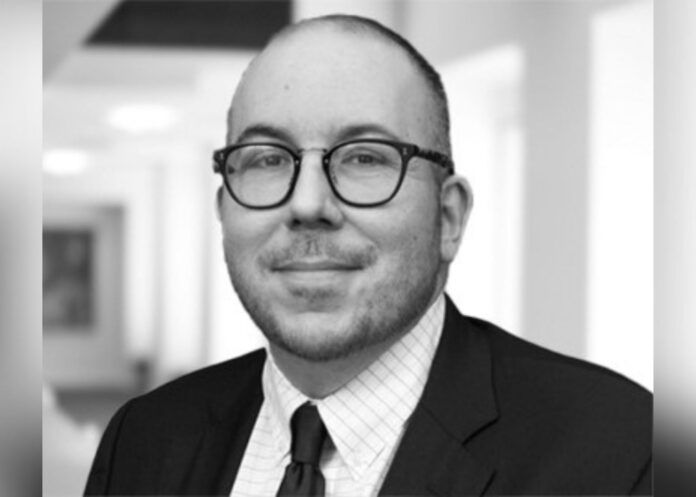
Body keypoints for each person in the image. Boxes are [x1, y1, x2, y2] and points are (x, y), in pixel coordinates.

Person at [84, 14, 652, 496]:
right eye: (267, 159)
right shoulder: (144, 439)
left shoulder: (624, 454)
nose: (307, 203)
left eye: (364, 158)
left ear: (448, 217)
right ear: (224, 210)